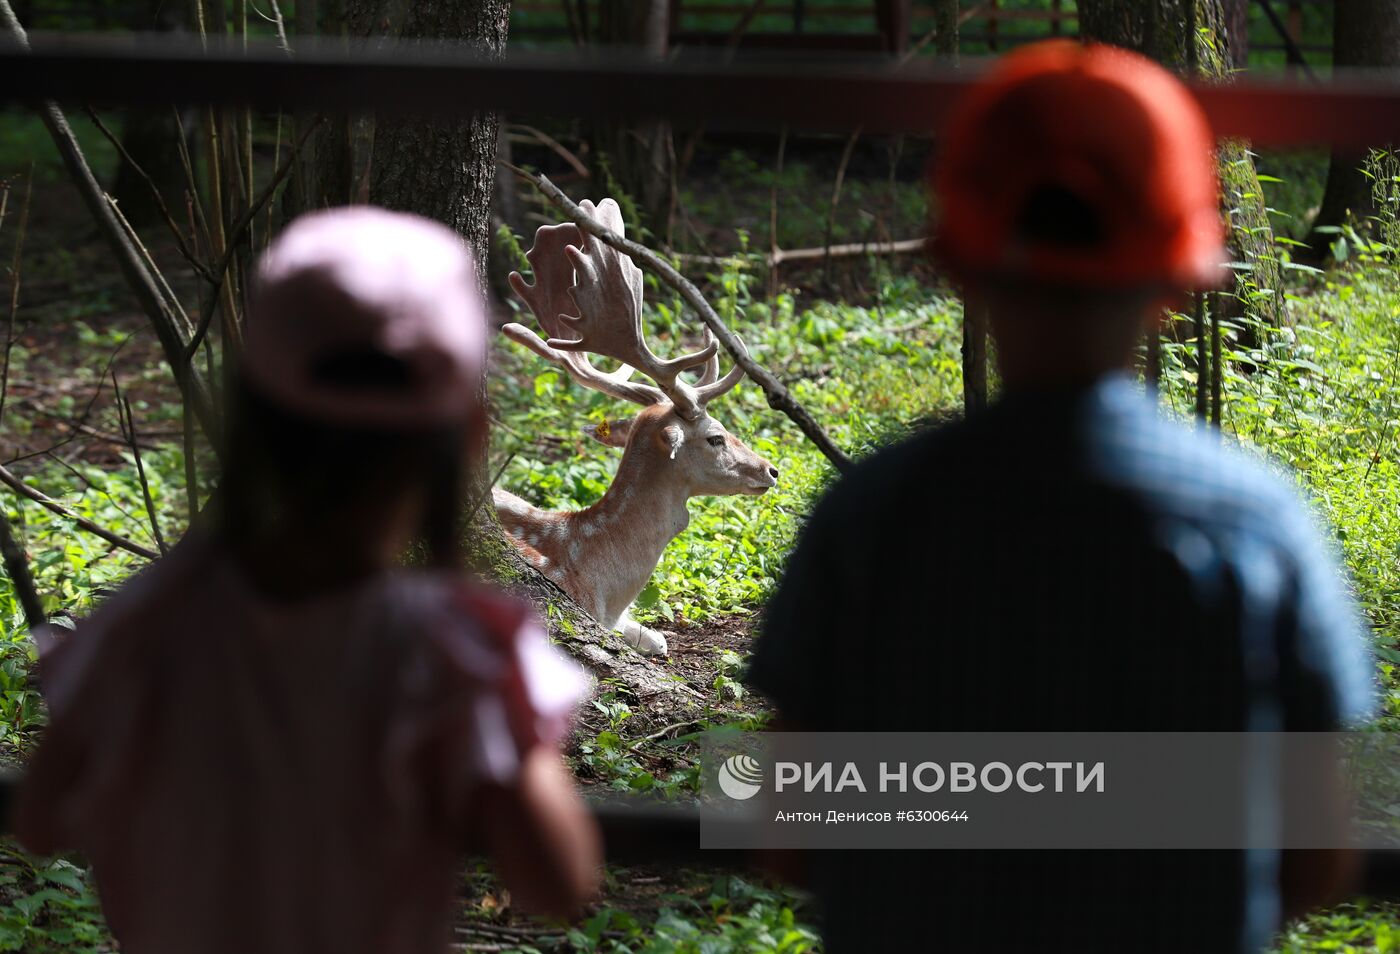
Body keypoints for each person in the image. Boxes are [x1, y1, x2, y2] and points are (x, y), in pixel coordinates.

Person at [747, 40, 1375, 953]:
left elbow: (786, 833)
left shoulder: (872, 514)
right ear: (1176, 282)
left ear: (955, 262)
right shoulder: (1263, 522)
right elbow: (1318, 856)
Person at [15, 207, 601, 954]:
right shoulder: (458, 646)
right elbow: (557, 879)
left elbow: (40, 819)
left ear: (246, 417)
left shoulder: (151, 616)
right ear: (471, 432)